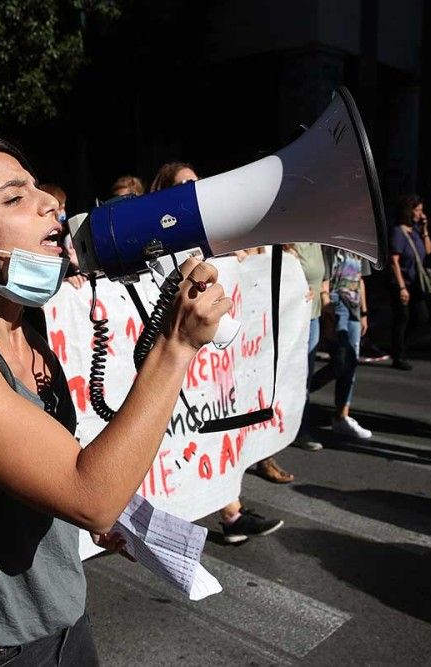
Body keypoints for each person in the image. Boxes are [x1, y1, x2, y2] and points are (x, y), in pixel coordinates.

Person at [0, 138, 232, 661]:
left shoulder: (25, 331)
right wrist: (174, 345)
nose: (49, 201)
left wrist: (110, 513)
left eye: (37, 185)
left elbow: (39, 468)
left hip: (64, 623)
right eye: (14, 197)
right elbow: (88, 494)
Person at [150, 161, 287, 538]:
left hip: (205, 358)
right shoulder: (154, 237)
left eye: (196, 181)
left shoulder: (209, 234)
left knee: (209, 427)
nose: (193, 188)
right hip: (177, 352)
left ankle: (231, 513)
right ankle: (223, 514)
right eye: (182, 184)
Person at [324, 245, 373, 440]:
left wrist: (364, 313)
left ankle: (342, 415)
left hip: (354, 307)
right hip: (336, 303)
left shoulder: (361, 245)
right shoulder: (330, 246)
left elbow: (360, 281)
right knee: (342, 361)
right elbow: (325, 280)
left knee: (351, 363)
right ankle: (305, 394)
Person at [286, 243, 328, 451]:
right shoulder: (290, 245)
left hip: (313, 318)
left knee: (305, 377)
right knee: (292, 376)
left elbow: (323, 280)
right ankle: (288, 430)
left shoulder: (317, 244)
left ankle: (300, 428)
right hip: (294, 320)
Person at [388, 194, 431, 370]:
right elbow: (394, 261)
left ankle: (401, 345)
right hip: (402, 282)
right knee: (402, 317)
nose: (420, 214)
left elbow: (428, 250)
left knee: (421, 316)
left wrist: (425, 229)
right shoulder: (398, 232)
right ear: (408, 211)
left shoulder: (415, 231)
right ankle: (398, 355)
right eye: (417, 210)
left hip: (416, 283)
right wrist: (401, 287)